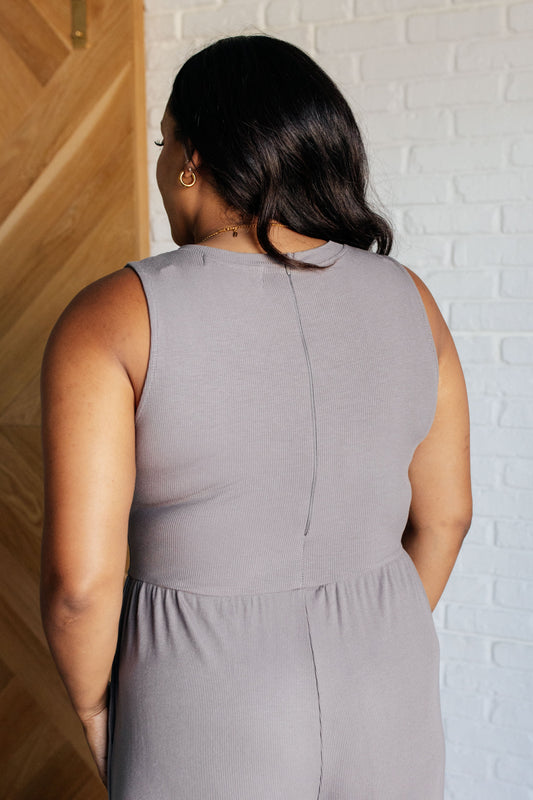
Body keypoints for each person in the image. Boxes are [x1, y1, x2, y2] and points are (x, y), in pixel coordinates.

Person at [40, 34, 472, 800]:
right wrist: (369, 635)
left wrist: (95, 707)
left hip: (199, 696)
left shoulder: (112, 317)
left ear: (191, 157)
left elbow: (80, 585)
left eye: (163, 143)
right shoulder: (411, 298)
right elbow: (446, 519)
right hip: (388, 681)